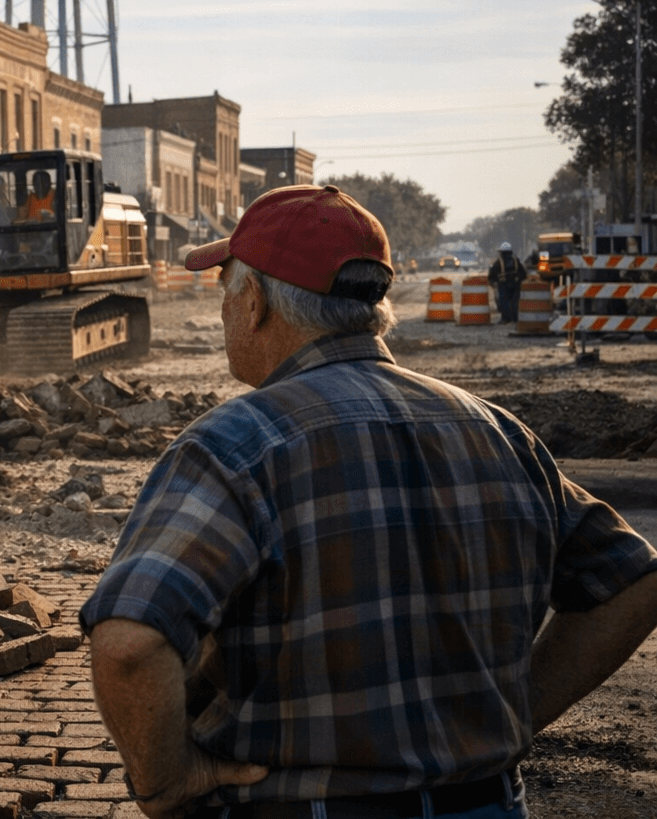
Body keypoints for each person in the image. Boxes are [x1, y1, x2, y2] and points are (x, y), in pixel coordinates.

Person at [82, 184, 657, 819]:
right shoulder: (499, 432)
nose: (222, 310)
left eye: (224, 290)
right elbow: (632, 582)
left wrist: (164, 783)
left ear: (253, 302)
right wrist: (520, 706)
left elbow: (130, 645)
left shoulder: (232, 447)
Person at [488, 240, 528, 324]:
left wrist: (492, 282)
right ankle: (515, 318)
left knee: (504, 302)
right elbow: (523, 273)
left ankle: (505, 319)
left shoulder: (499, 262)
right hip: (515, 284)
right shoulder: (516, 260)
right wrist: (520, 281)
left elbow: (492, 274)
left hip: (503, 284)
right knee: (515, 302)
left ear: (501, 252)